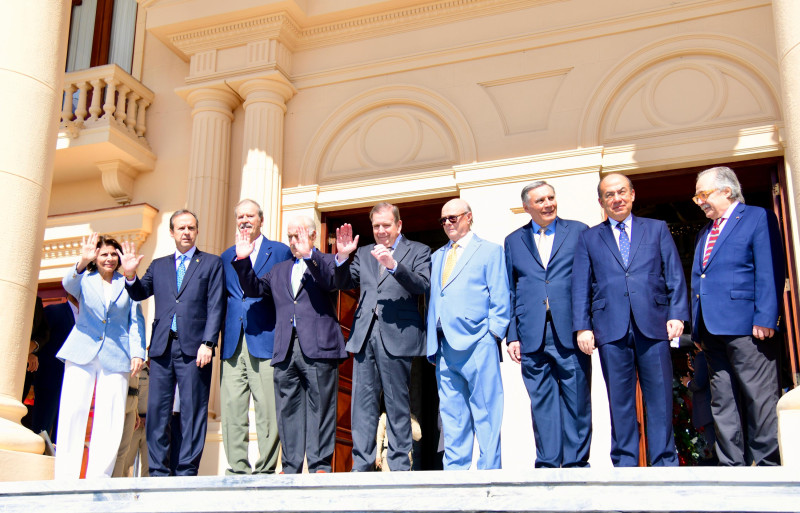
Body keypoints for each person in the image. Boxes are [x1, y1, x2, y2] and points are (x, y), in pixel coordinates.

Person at [572, 173, 688, 467]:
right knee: (619, 401)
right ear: (601, 202)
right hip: (610, 328)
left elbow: (673, 274)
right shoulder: (588, 237)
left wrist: (677, 314)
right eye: (609, 195)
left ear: (633, 194)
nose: (616, 199)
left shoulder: (657, 229)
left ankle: (664, 462)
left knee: (660, 399)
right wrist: (583, 326)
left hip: (654, 324)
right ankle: (624, 462)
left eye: (621, 192)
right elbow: (581, 285)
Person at [233, 216, 346, 473]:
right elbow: (254, 289)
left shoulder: (327, 261)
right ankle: (292, 465)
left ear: (314, 236)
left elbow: (332, 282)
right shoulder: (280, 269)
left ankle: (319, 465)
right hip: (285, 349)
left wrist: (310, 256)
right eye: (291, 237)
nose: (294, 242)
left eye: (299, 236)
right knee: (288, 408)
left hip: (319, 348)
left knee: (321, 407)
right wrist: (243, 261)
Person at [690, 166, 784, 466]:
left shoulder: (757, 217)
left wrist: (766, 317)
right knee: (723, 400)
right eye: (697, 197)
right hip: (711, 331)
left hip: (748, 328)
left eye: (703, 194)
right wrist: (697, 329)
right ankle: (732, 465)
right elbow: (700, 279)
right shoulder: (705, 231)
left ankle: (767, 465)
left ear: (726, 191)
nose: (700, 201)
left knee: (759, 398)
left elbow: (769, 268)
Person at [121, 210, 225, 477]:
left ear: (197, 231)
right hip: (161, 348)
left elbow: (216, 306)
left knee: (193, 410)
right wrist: (130, 275)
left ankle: (187, 469)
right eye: (181, 228)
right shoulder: (159, 265)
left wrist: (209, 342)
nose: (186, 232)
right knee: (157, 410)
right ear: (171, 232)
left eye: (191, 227)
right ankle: (157, 469)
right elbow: (139, 293)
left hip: (195, 349)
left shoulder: (211, 263)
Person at [331, 202, 431, 472]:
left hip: (398, 334)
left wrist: (394, 265)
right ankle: (361, 464)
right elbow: (344, 283)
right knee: (362, 404)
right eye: (376, 226)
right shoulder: (363, 253)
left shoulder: (418, 250)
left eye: (386, 225)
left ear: (399, 225)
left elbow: (422, 284)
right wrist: (341, 258)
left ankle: (399, 465)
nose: (381, 230)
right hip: (365, 334)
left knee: (397, 402)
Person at [504, 181, 592, 468]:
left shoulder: (578, 231)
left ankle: (576, 463)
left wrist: (586, 325)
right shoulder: (514, 240)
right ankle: (548, 464)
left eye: (551, 198)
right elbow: (511, 290)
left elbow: (589, 282)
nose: (548, 204)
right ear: (527, 207)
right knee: (541, 403)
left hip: (570, 331)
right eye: (540, 200)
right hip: (532, 334)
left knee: (577, 400)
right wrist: (512, 335)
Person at [426, 198, 511, 470]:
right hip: (444, 346)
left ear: (468, 217)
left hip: (478, 342)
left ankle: (489, 474)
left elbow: (501, 296)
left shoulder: (489, 251)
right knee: (452, 415)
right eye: (443, 220)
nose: (448, 224)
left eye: (453, 218)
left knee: (486, 411)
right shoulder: (437, 256)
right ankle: (455, 475)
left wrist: (492, 336)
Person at [53, 233, 145, 479]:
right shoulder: (84, 279)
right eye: (104, 254)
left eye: (114, 254)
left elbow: (136, 320)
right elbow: (67, 283)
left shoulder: (127, 282)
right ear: (96, 256)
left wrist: (137, 352)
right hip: (82, 350)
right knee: (73, 410)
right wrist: (82, 262)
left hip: (117, 354)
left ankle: (99, 477)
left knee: (111, 414)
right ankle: (65, 476)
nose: (110, 258)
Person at [220, 199, 292, 475]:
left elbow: (286, 296)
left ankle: (265, 469)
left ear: (261, 220)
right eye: (240, 217)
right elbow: (222, 300)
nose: (244, 220)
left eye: (250, 215)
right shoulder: (226, 256)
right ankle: (237, 469)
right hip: (233, 342)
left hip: (267, 337)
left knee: (268, 410)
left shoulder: (280, 251)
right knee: (232, 408)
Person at [29, 294, 77, 440]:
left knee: (64, 432)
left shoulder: (89, 318)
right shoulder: (54, 311)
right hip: (49, 381)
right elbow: (41, 340)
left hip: (74, 383)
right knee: (41, 429)